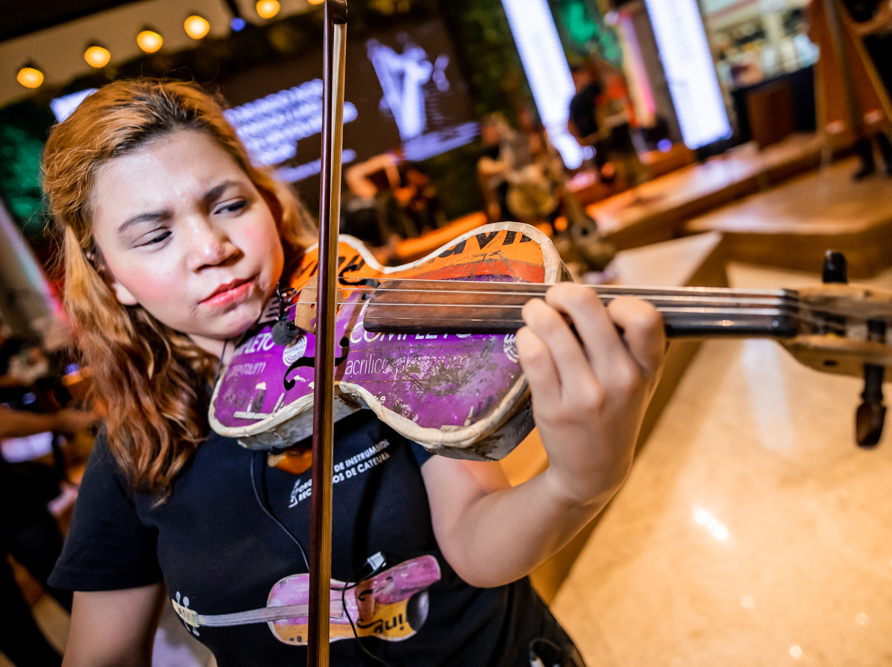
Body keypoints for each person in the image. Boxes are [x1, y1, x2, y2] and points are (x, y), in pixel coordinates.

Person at [43, 80, 666, 667]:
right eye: (154, 235)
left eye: (230, 204)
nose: (212, 247)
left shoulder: (373, 342)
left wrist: (577, 484)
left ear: (265, 198)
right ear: (109, 276)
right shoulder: (136, 443)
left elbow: (476, 543)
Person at [0, 405, 96, 667]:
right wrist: (58, 421)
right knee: (69, 588)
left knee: (17, 635)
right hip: (10, 507)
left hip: (11, 505)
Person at [808, 0, 892, 179]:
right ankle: (866, 159)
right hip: (843, 60)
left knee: (875, 105)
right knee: (851, 107)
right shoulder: (819, 5)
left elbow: (887, 14)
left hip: (871, 52)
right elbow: (813, 37)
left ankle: (889, 157)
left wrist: (862, 29)